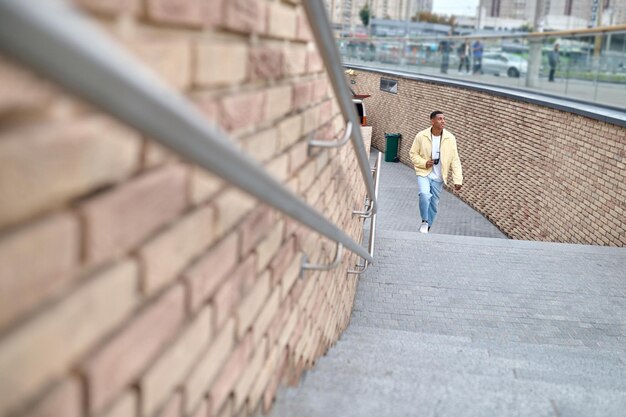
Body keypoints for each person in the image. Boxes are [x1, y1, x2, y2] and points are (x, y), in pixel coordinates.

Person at [409, 111, 463, 234]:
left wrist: (457, 180)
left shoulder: (450, 138)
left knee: (433, 204)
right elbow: (413, 154)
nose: (443, 121)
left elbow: (455, 160)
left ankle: (428, 226)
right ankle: (424, 220)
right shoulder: (421, 136)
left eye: (444, 119)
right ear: (432, 121)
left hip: (439, 177)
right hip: (424, 173)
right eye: (440, 119)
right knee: (424, 194)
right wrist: (424, 163)